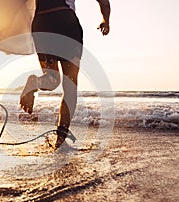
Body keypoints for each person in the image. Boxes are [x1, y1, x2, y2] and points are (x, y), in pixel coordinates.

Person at [20, 0, 111, 149]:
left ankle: (36, 82)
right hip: (66, 22)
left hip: (42, 23)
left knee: (52, 79)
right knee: (70, 85)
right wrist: (105, 20)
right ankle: (60, 139)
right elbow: (104, 2)